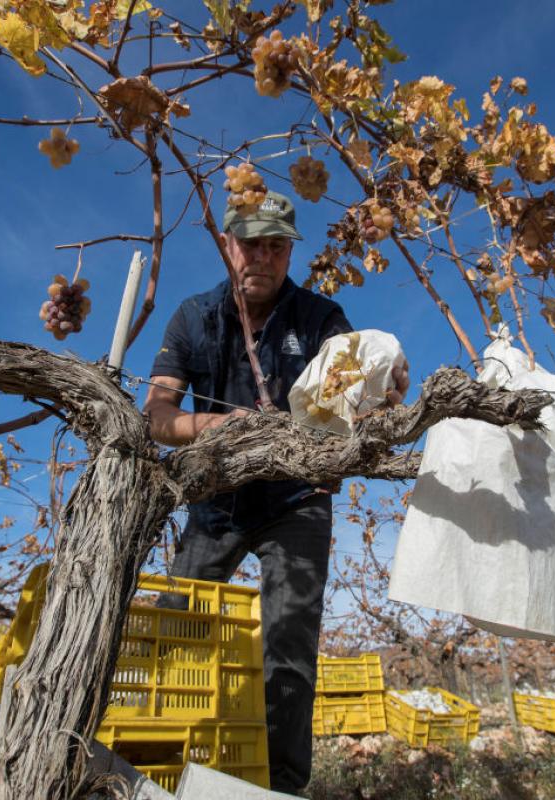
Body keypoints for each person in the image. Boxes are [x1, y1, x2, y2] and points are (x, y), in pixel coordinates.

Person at [144, 191, 407, 795]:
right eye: (249, 244)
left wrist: (381, 386)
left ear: (290, 251)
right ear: (227, 245)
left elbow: (353, 384)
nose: (261, 256)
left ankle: (282, 787)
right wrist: (207, 427)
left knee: (290, 639)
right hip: (217, 500)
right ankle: (155, 762)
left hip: (298, 501)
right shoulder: (193, 316)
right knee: (177, 622)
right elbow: (157, 414)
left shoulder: (321, 318)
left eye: (276, 245)